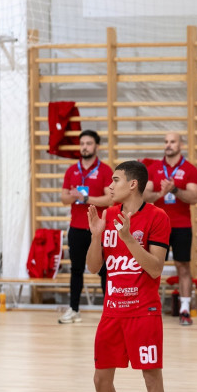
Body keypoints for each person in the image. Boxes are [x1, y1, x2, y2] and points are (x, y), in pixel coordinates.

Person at [83, 161, 170, 392]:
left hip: (143, 312)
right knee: (100, 380)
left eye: (115, 180)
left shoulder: (157, 217)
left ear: (133, 184)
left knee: (152, 380)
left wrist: (130, 239)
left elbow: (156, 268)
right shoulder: (108, 216)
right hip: (112, 312)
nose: (110, 186)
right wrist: (96, 236)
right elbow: (94, 267)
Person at [144, 133, 197, 325]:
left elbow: (194, 197)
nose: (168, 145)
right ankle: (149, 307)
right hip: (157, 226)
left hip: (181, 226)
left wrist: (175, 189)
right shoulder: (154, 168)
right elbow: (144, 195)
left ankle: (184, 310)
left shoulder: (190, 169)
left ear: (181, 145)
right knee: (152, 267)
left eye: (172, 142)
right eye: (166, 142)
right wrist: (161, 193)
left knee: (183, 266)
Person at [58, 130, 113, 324]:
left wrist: (86, 198)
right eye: (82, 143)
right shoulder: (72, 170)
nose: (85, 147)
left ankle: (109, 311)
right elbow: (64, 198)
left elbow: (110, 199)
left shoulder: (105, 170)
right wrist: (75, 196)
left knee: (104, 269)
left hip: (98, 229)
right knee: (76, 269)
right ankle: (74, 309)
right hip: (76, 228)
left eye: (89, 143)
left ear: (96, 146)